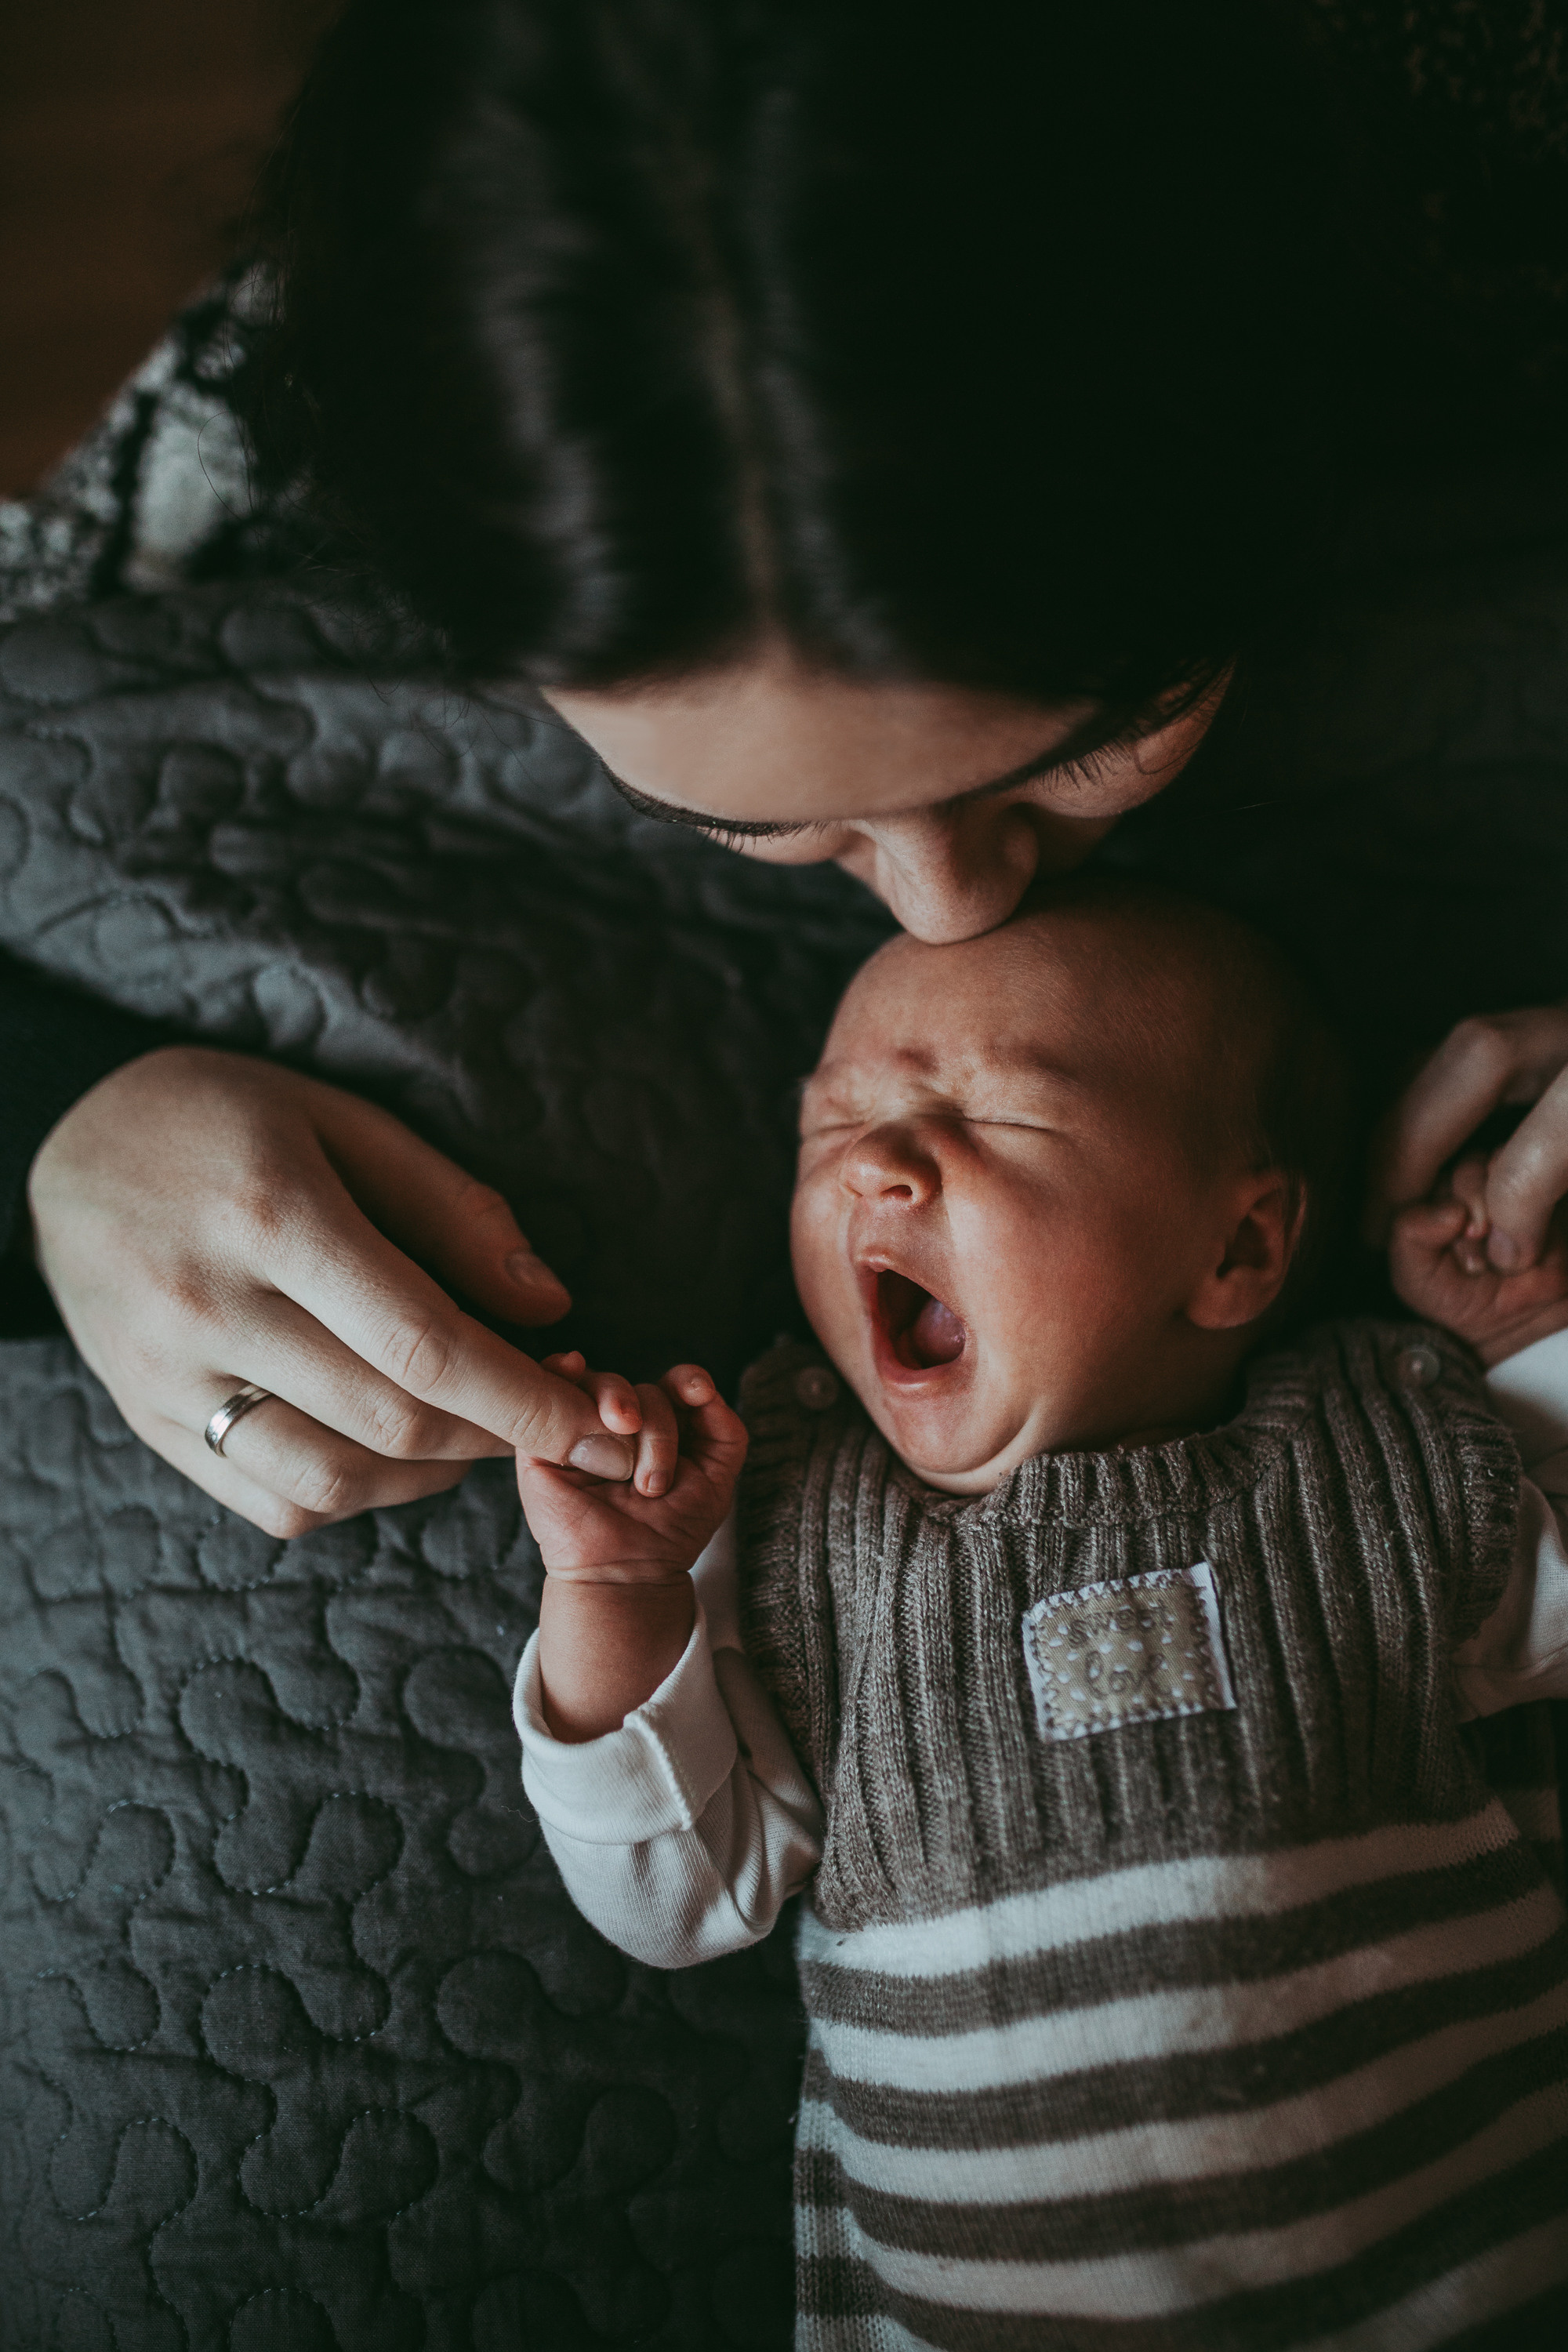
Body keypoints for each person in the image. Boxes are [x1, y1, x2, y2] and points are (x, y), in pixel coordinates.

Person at [6, 0, 1568, 1544]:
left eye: (1092, 743)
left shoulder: (1475, 143)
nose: (947, 916)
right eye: (749, 820)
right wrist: (56, 1131)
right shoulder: (297, 427)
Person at [512, 884, 1568, 2347]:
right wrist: (618, 1592)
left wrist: (1520, 1353)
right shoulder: (789, 1538)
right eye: (835, 1126)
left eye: (996, 1117)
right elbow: (677, 1896)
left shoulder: (1373, 1463)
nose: (876, 1164)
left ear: (1240, 1251)